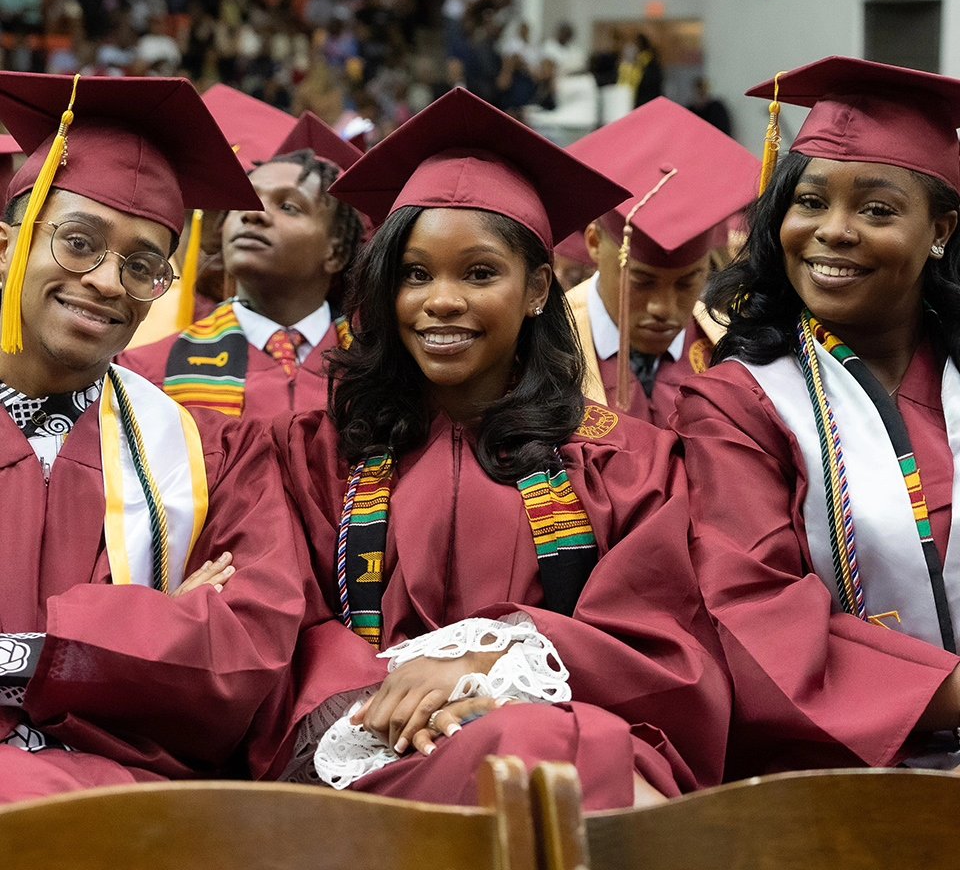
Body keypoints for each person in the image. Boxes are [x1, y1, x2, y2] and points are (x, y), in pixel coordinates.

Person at [272, 88, 731, 809]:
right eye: (415, 274)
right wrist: (399, 700)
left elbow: (665, 647)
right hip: (367, 762)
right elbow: (289, 627)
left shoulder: (626, 463)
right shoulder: (317, 452)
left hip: (560, 745)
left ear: (539, 288)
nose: (441, 301)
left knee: (529, 749)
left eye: (479, 273)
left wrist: (493, 667)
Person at [0, 72, 309, 801]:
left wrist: (25, 654)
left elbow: (245, 649)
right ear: (6, 245)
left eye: (144, 265)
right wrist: (144, 635)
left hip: (130, 803)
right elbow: (186, 648)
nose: (109, 282)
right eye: (78, 243)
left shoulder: (215, 456)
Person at [673, 56, 960, 776]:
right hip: (841, 785)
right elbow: (752, 615)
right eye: (809, 202)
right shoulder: (738, 404)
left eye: (877, 209)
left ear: (941, 231)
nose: (833, 231)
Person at [119, 108, 365, 423]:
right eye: (246, 202)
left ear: (336, 252)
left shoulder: (377, 370)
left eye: (288, 206)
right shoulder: (149, 372)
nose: (253, 214)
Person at [559, 97, 759, 428]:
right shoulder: (544, 348)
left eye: (687, 282)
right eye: (642, 281)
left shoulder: (730, 348)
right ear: (594, 243)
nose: (663, 308)